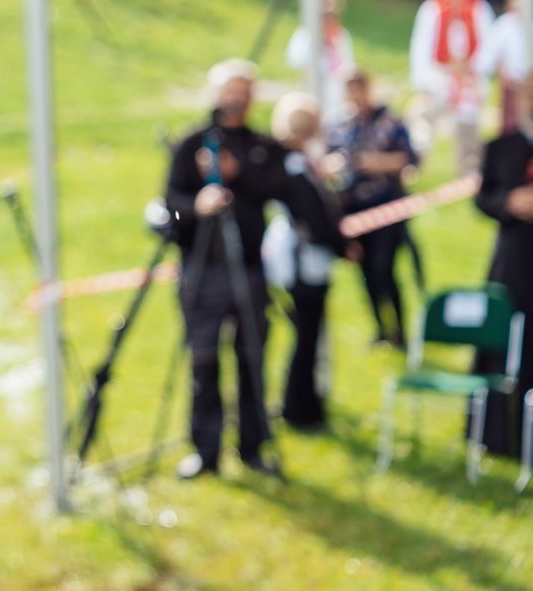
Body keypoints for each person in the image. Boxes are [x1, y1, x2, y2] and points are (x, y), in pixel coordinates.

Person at [165, 59, 337, 479]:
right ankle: (205, 451)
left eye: (243, 93)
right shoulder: (192, 144)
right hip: (202, 271)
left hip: (250, 270)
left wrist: (239, 173)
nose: (236, 101)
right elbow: (170, 205)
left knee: (252, 359)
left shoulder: (262, 148)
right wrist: (197, 206)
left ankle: (253, 446)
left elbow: (284, 191)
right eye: (229, 93)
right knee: (204, 362)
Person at [260, 92, 342, 431]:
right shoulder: (295, 168)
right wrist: (342, 245)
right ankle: (299, 408)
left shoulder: (294, 164)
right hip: (301, 263)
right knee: (306, 340)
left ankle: (303, 404)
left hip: (295, 258)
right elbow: (315, 219)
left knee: (306, 338)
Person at [328, 67, 421, 347]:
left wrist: (378, 163)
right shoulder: (342, 125)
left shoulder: (391, 122)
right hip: (354, 208)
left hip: (386, 208)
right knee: (366, 271)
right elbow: (330, 157)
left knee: (384, 268)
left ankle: (399, 329)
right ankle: (380, 327)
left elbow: (410, 159)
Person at [473, 72, 533, 455]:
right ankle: (498, 432)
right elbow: (484, 197)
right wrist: (510, 203)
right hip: (514, 258)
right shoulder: (502, 145)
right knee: (504, 333)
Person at [409, 0, 494, 175]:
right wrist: (426, 81)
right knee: (421, 115)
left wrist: (473, 69)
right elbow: (421, 48)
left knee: (468, 118)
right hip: (440, 75)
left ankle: (469, 168)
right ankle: (415, 162)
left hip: (469, 78)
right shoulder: (432, 10)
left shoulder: (479, 8)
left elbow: (489, 47)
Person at [285, 0, 354, 116]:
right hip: (312, 87)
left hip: (336, 93)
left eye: (333, 15)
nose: (329, 19)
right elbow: (296, 60)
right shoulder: (305, 34)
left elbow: (348, 64)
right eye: (325, 15)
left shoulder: (341, 35)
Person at [477, 0, 531, 135]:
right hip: (511, 84)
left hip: (530, 85)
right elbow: (489, 56)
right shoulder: (504, 26)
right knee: (511, 127)